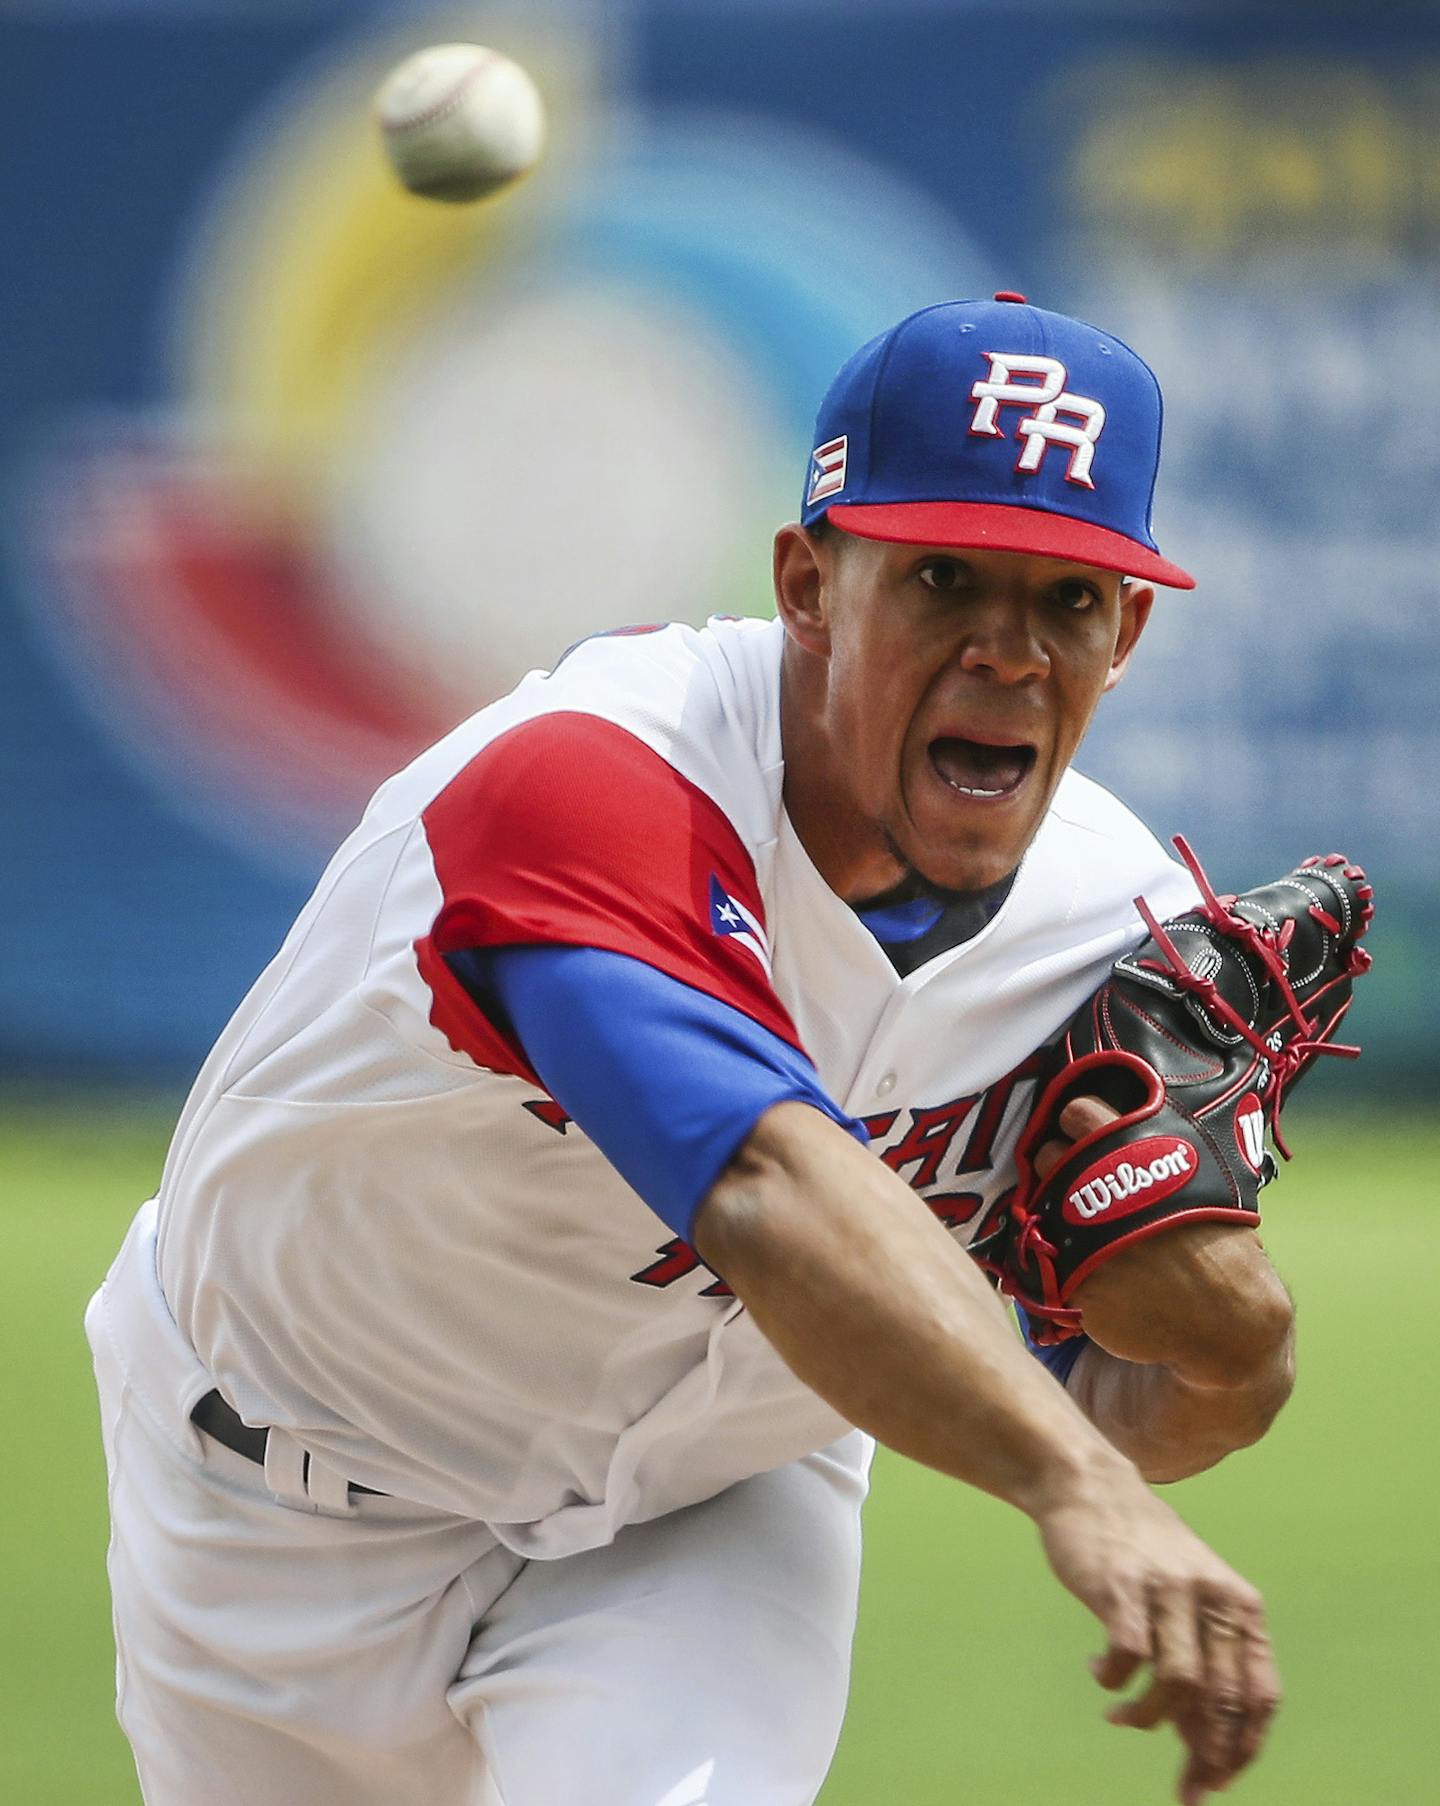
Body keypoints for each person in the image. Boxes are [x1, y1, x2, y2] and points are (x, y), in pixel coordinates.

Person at [87, 294, 1294, 1806]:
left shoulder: (1111, 935)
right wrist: (1075, 1486)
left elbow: (1113, 1407)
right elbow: (772, 1192)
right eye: (942, 577)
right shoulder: (588, 783)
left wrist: (1230, 1353)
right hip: (274, 1502)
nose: (1008, 653)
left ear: (1127, 635)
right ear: (809, 583)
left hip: (707, 1512)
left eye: (1068, 600)